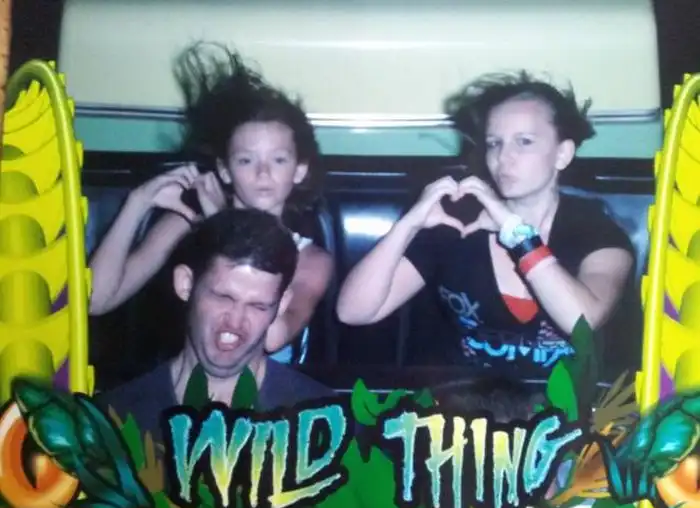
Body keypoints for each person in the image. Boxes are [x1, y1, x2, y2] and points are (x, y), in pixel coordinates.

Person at [336, 71, 636, 380]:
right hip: (468, 403)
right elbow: (354, 312)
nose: (504, 157)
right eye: (494, 143)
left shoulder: (596, 231)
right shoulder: (457, 224)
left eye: (524, 142)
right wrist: (408, 224)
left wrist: (514, 233)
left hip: (569, 404)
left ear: (562, 154)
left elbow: (582, 323)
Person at [88, 42, 332, 363]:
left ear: (299, 170)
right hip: (187, 387)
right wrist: (137, 203)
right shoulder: (187, 222)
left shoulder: (310, 258)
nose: (262, 173)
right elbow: (96, 301)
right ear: (225, 170)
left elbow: (271, 337)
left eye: (278, 160)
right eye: (246, 160)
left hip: (263, 393)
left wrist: (221, 227)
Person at [97, 208, 335, 443]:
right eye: (223, 297)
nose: (235, 321)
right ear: (185, 284)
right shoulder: (114, 424)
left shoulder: (325, 425)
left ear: (281, 305)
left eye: (258, 306)